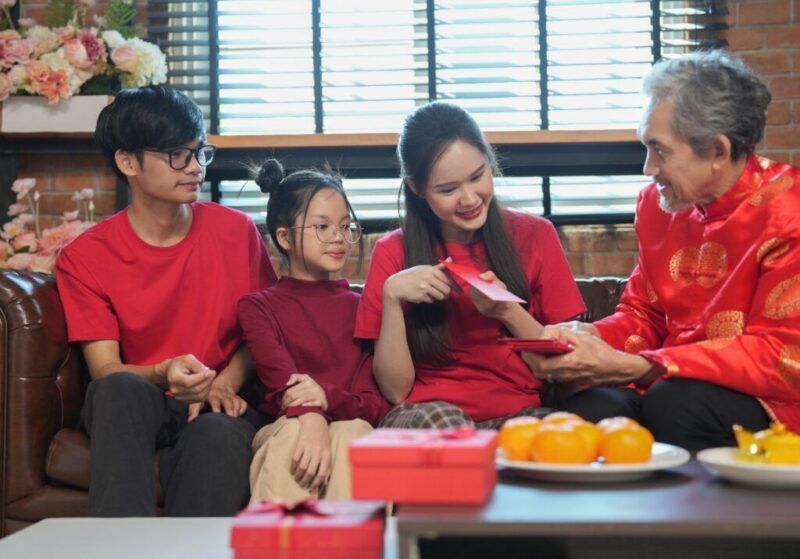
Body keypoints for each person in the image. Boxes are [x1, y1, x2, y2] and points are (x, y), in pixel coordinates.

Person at [534, 50, 800, 451]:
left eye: (660, 150)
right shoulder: (657, 207)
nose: (648, 168)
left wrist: (644, 366)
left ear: (717, 150)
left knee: (676, 404)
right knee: (589, 411)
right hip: (667, 382)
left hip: (770, 399)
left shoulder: (789, 211)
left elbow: (780, 355)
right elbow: (644, 314)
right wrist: (590, 337)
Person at [55, 85, 277, 516]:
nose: (195, 168)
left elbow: (265, 331)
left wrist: (225, 381)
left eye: (200, 153)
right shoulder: (85, 258)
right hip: (141, 401)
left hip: (221, 400)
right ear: (128, 161)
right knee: (118, 390)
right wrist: (163, 371)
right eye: (178, 155)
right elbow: (105, 370)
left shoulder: (236, 232)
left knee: (216, 434)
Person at [354, 101, 587, 429]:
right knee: (449, 427)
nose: (469, 199)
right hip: (428, 415)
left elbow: (568, 363)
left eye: (478, 176)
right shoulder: (392, 251)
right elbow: (395, 390)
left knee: (560, 433)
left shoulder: (536, 235)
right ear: (417, 189)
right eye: (448, 189)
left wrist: (507, 311)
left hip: (520, 414)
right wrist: (392, 298)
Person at [239, 160, 389, 501]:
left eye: (345, 226)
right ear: (284, 237)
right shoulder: (258, 307)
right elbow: (285, 388)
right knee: (295, 433)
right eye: (322, 227)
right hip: (285, 427)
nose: (339, 238)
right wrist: (312, 416)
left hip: (351, 424)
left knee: (352, 434)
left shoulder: (364, 304)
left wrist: (326, 399)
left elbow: (373, 405)